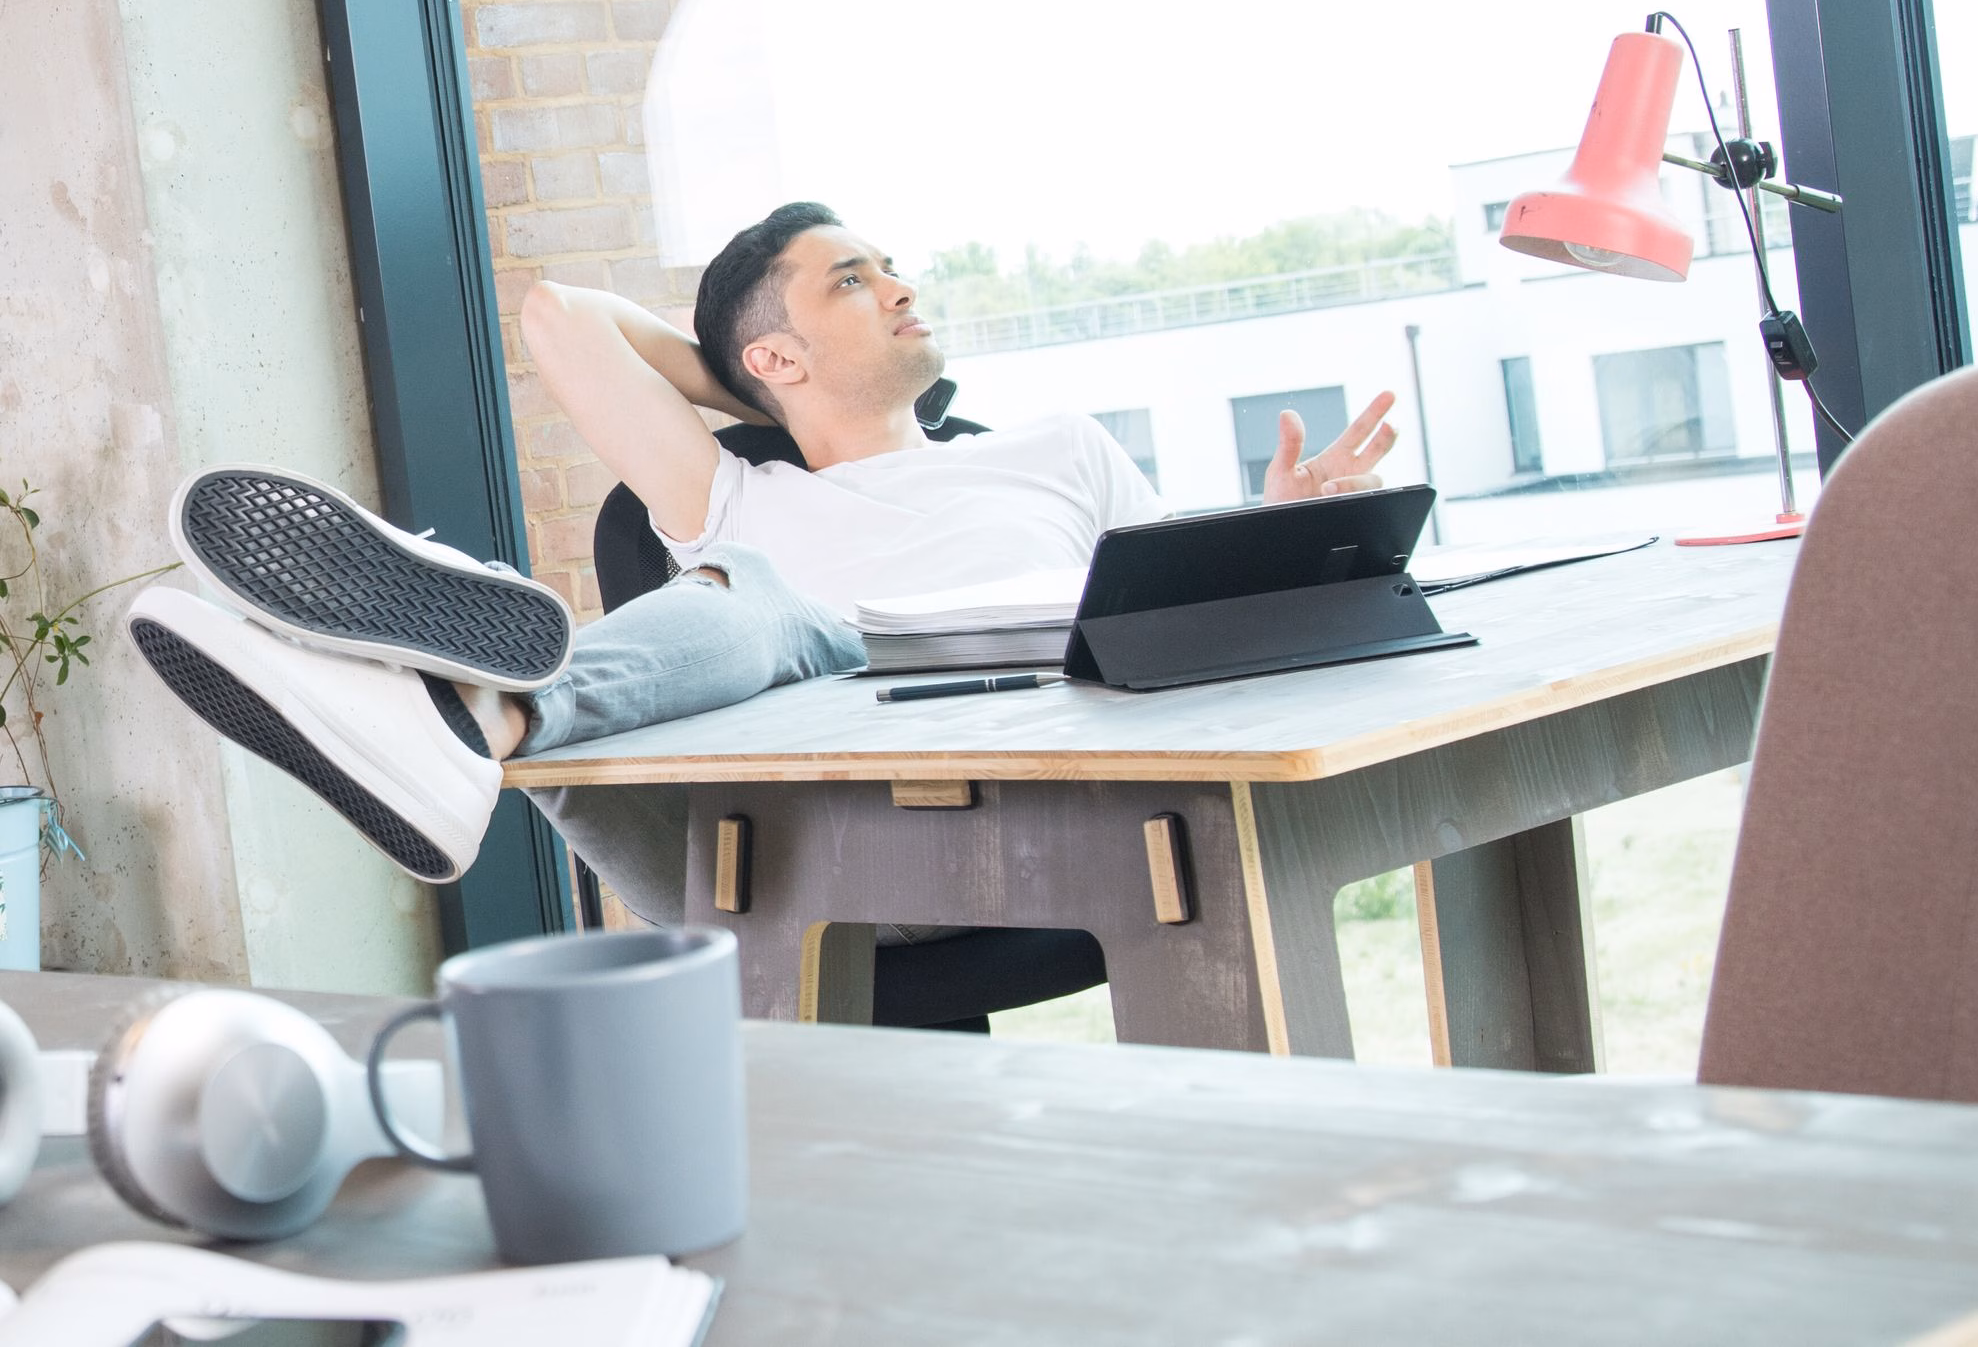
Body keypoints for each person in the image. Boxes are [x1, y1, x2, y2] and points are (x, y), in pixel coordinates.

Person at [126, 203, 1401, 915]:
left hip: (1074, 776)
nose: (903, 286)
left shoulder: (1061, 452)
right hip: (857, 810)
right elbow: (560, 318)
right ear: (778, 357)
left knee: (750, 599)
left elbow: (1180, 620)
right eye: (854, 280)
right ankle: (469, 718)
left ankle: (450, 720)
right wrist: (754, 384)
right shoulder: (730, 494)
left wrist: (1273, 526)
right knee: (751, 597)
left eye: (891, 267)